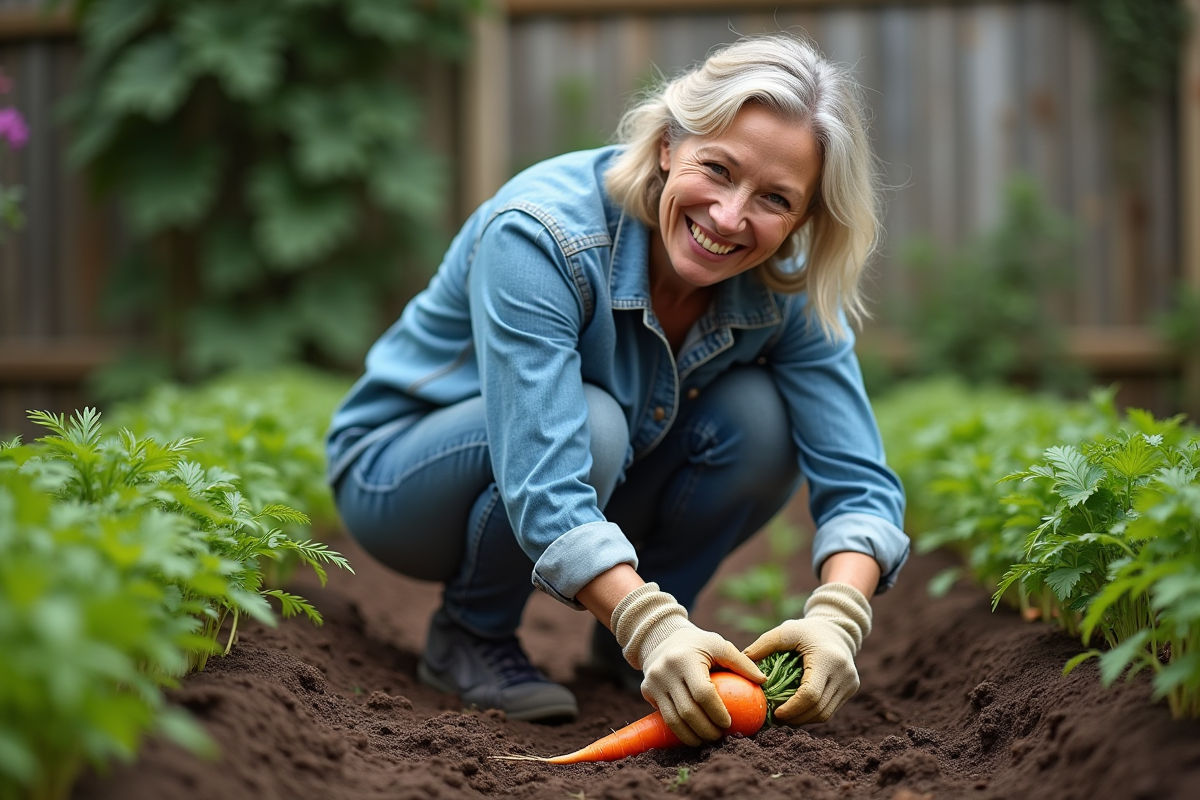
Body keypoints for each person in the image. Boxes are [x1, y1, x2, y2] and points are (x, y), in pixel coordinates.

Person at [325, 32, 908, 745]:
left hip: (591, 469)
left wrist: (837, 617)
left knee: (762, 423)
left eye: (774, 199)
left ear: (803, 219)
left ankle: (633, 652)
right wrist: (650, 624)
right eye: (717, 169)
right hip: (403, 478)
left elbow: (860, 481)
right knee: (593, 423)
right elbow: (545, 479)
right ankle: (470, 637)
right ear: (668, 144)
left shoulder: (784, 284)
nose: (729, 217)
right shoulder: (543, 233)